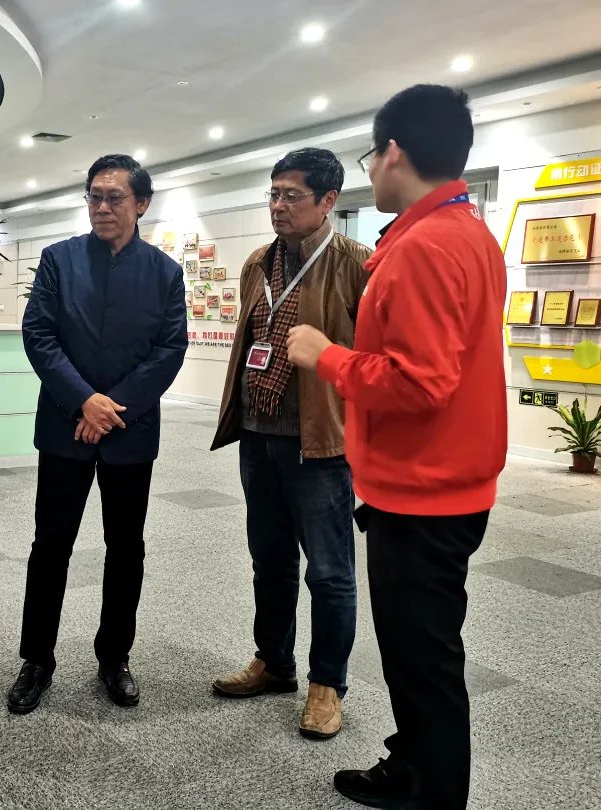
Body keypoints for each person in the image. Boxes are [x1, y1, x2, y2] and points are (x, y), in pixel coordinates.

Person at [286, 85, 507, 809]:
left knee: (425, 663)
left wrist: (326, 356)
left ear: (394, 153)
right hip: (435, 482)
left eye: (371, 158)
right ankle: (411, 766)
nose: (372, 173)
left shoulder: (426, 247)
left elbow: (421, 382)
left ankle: (432, 792)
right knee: (416, 655)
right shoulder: (464, 233)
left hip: (425, 492)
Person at [7, 155, 188, 714]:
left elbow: (169, 350)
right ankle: (36, 659)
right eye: (94, 196)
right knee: (50, 546)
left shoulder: (164, 272)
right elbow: (39, 335)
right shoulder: (59, 260)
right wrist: (84, 400)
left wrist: (110, 410)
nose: (102, 207)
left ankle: (115, 657)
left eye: (114, 197)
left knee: (126, 549)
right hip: (66, 427)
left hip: (129, 434)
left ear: (142, 204)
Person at [209, 148, 371, 740]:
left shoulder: (357, 264)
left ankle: (327, 683)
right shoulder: (258, 262)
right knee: (270, 561)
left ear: (328, 201)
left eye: (292, 196)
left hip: (320, 443)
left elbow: (372, 360)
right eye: (273, 194)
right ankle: (274, 661)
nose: (278, 206)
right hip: (259, 438)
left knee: (329, 572)